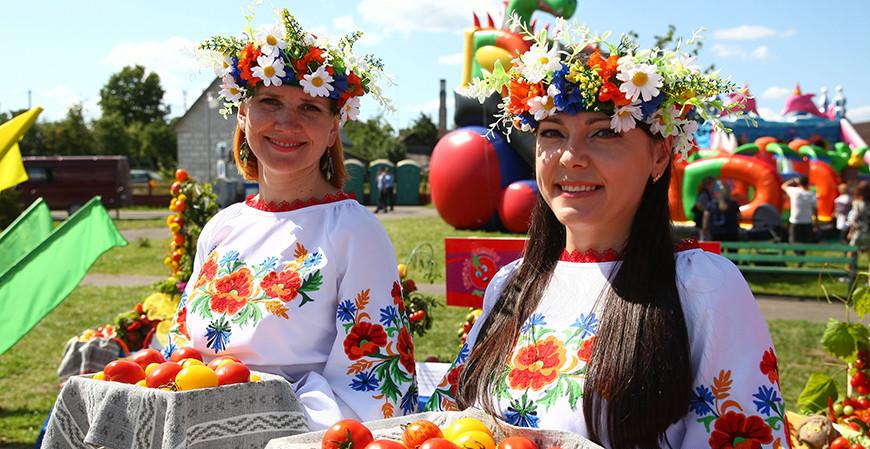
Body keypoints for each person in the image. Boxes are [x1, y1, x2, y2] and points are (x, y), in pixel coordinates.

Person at [426, 25, 789, 449]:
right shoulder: (510, 284)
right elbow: (450, 423)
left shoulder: (702, 287)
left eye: (604, 131)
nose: (571, 157)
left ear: (659, 154)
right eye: (552, 132)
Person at [165, 9, 417, 429]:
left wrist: (249, 420)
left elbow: (373, 391)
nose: (288, 123)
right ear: (243, 114)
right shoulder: (221, 227)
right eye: (269, 102)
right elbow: (181, 348)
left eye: (310, 107)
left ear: (334, 127)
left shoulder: (354, 231)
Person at [782, 175, 817, 260]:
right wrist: (816, 221)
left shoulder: (795, 191)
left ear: (799, 183)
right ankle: (801, 257)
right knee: (804, 241)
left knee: (793, 240)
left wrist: (794, 180)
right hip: (807, 221)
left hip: (795, 221)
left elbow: (784, 186)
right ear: (808, 183)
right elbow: (815, 209)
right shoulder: (811, 194)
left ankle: (798, 256)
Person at [848, 181, 870, 255]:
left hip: (858, 231)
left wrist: (850, 232)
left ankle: (849, 266)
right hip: (868, 231)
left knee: (852, 250)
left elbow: (854, 219)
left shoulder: (857, 203)